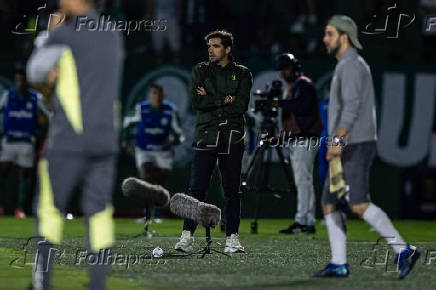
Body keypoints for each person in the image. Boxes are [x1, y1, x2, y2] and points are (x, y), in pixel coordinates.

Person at [26, 0, 124, 289]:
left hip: (70, 139)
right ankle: (98, 284)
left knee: (49, 210)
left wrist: (48, 33)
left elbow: (35, 72)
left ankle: (42, 283)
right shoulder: (112, 32)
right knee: (100, 213)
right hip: (105, 140)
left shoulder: (65, 34)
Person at [314, 15, 420, 279]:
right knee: (329, 203)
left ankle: (403, 250)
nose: (325, 39)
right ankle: (339, 263)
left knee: (359, 203)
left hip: (355, 144)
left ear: (344, 36)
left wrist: (337, 141)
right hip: (350, 143)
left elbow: (352, 107)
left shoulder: (351, 66)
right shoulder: (348, 65)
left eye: (329, 33)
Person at [174, 30, 252, 253]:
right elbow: (197, 103)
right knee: (196, 188)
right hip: (205, 136)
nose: (210, 49)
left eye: (216, 46)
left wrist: (212, 99)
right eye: (209, 46)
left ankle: (232, 239)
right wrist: (225, 99)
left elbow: (241, 106)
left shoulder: (243, 73)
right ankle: (186, 237)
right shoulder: (200, 70)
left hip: (231, 138)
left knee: (231, 190)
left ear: (227, 49)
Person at [274, 53, 323, 234]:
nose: (282, 73)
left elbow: (302, 107)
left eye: (285, 68)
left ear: (294, 67)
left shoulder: (303, 84)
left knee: (303, 181)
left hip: (305, 138)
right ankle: (306, 220)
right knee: (304, 181)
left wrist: (278, 103)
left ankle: (303, 221)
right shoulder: (294, 86)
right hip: (299, 138)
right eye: (281, 69)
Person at [122, 83, 184, 223]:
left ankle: (156, 214)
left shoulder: (170, 110)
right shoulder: (141, 108)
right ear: (149, 96)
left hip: (163, 151)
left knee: (160, 183)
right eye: (153, 93)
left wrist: (175, 140)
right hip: (144, 149)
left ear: (163, 96)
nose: (156, 96)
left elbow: (180, 133)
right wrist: (124, 138)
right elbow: (127, 122)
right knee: (146, 179)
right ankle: (146, 214)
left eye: (158, 93)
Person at [0, 69, 51, 218]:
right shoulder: (8, 95)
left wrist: (50, 132)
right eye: (17, 80)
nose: (20, 83)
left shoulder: (36, 97)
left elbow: (51, 114)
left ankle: (20, 209)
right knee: (3, 171)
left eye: (22, 80)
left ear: (26, 81)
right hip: (8, 140)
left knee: (24, 174)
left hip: (27, 141)